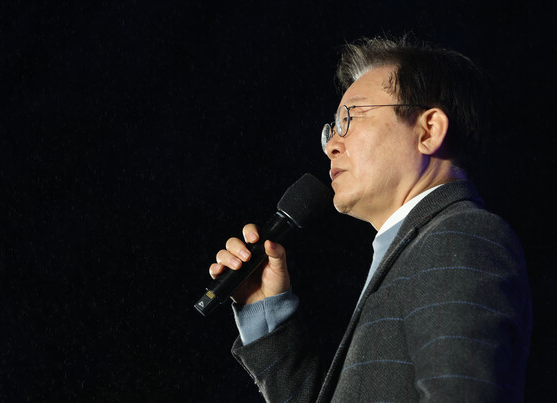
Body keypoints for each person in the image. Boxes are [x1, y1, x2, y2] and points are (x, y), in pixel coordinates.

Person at [208, 36, 532, 402]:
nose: (332, 145)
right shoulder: (415, 252)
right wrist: (268, 314)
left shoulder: (459, 237)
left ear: (428, 131)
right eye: (332, 128)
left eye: (351, 118)